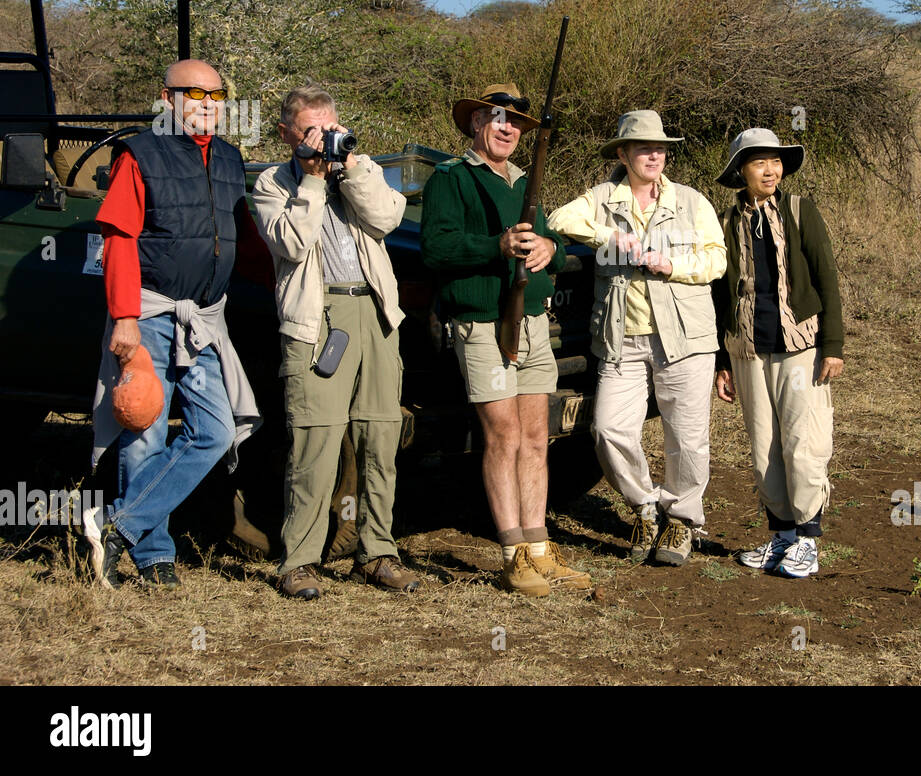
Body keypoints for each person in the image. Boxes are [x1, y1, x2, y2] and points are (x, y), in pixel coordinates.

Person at [86, 59, 261, 589]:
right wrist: (125, 318)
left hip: (204, 321)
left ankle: (119, 524)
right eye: (195, 94)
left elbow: (244, 240)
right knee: (144, 430)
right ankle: (154, 555)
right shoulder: (141, 153)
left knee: (216, 431)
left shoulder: (230, 159)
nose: (208, 104)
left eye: (217, 95)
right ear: (168, 97)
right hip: (151, 315)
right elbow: (117, 239)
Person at [251, 84, 420, 600]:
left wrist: (346, 168)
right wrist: (312, 180)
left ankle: (378, 551)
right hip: (316, 319)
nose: (326, 138)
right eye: (312, 130)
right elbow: (291, 242)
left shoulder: (358, 167)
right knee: (315, 440)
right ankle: (298, 561)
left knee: (380, 437)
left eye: (332, 126)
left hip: (375, 312)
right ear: (286, 133)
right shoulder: (271, 183)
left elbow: (389, 217)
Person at [421, 83, 590, 596]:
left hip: (534, 323)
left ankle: (539, 549)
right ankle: (512, 555)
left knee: (537, 438)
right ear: (475, 123)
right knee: (504, 436)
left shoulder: (523, 183)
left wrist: (550, 249)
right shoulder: (450, 179)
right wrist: (494, 245)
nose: (508, 128)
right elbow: (437, 249)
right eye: (497, 118)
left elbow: (551, 248)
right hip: (481, 323)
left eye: (516, 122)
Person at [549, 110, 726, 565]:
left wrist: (674, 266)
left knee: (686, 437)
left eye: (660, 148)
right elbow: (558, 220)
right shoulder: (604, 198)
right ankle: (646, 507)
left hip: (685, 338)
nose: (654, 155)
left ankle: (683, 522)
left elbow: (717, 260)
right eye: (644, 148)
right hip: (620, 339)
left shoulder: (692, 201)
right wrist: (610, 235)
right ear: (623, 154)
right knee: (609, 429)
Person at [713, 128, 843, 578]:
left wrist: (834, 346)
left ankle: (808, 539)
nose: (770, 170)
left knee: (804, 442)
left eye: (775, 161)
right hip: (748, 347)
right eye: (758, 163)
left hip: (799, 345)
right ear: (740, 172)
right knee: (764, 445)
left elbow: (827, 276)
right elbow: (719, 293)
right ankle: (782, 535)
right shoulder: (727, 222)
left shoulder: (800, 210)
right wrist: (721, 360)